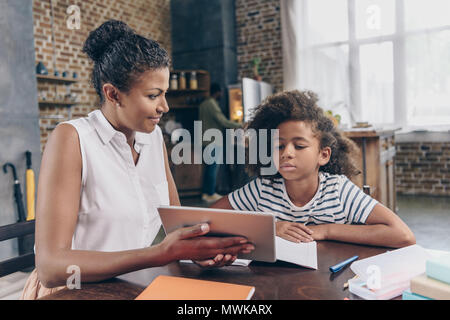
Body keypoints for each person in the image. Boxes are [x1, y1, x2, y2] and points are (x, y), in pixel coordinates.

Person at [20, 20, 254, 300]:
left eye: (164, 93)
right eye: (153, 95)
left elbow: (179, 226)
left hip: (128, 287)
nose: (164, 107)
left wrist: (199, 252)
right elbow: (50, 267)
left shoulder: (153, 138)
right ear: (112, 94)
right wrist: (158, 254)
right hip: (72, 292)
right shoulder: (72, 139)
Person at [212, 90, 416, 248]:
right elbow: (206, 219)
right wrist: (269, 228)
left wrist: (325, 230)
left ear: (323, 155)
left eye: (299, 146)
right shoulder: (262, 189)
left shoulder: (338, 190)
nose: (287, 153)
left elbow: (403, 235)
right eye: (279, 146)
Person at [198, 83, 241, 203]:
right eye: (220, 92)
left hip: (205, 140)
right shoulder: (212, 104)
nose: (221, 94)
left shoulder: (203, 104)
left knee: (209, 168)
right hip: (213, 141)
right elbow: (223, 122)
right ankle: (209, 193)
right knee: (212, 169)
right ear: (217, 92)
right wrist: (241, 125)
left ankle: (207, 193)